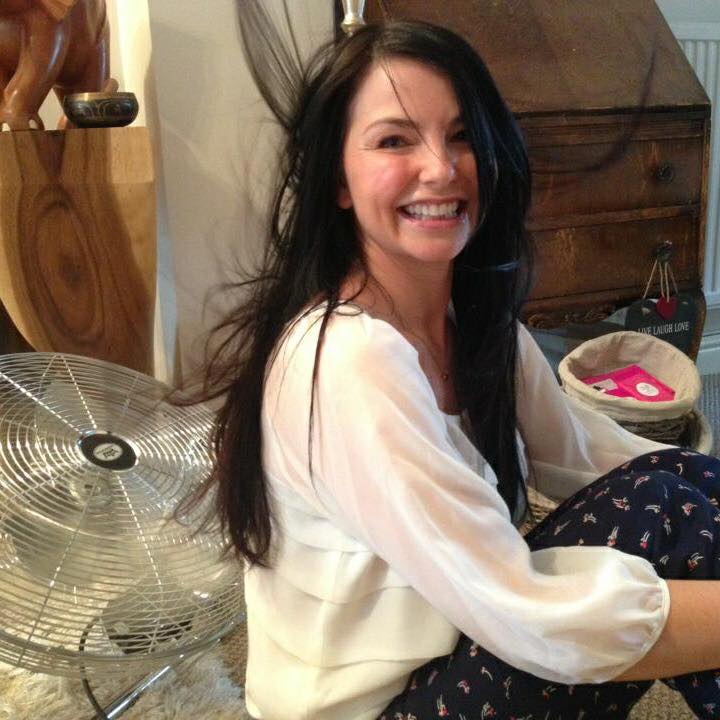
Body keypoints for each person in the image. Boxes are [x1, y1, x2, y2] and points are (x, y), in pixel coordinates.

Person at [193, 7, 720, 719]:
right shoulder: (351, 361)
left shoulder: (474, 322)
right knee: (660, 520)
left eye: (463, 137)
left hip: (447, 655)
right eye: (393, 140)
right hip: (379, 708)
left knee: (673, 485)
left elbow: (586, 455)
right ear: (339, 181)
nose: (441, 169)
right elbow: (529, 617)